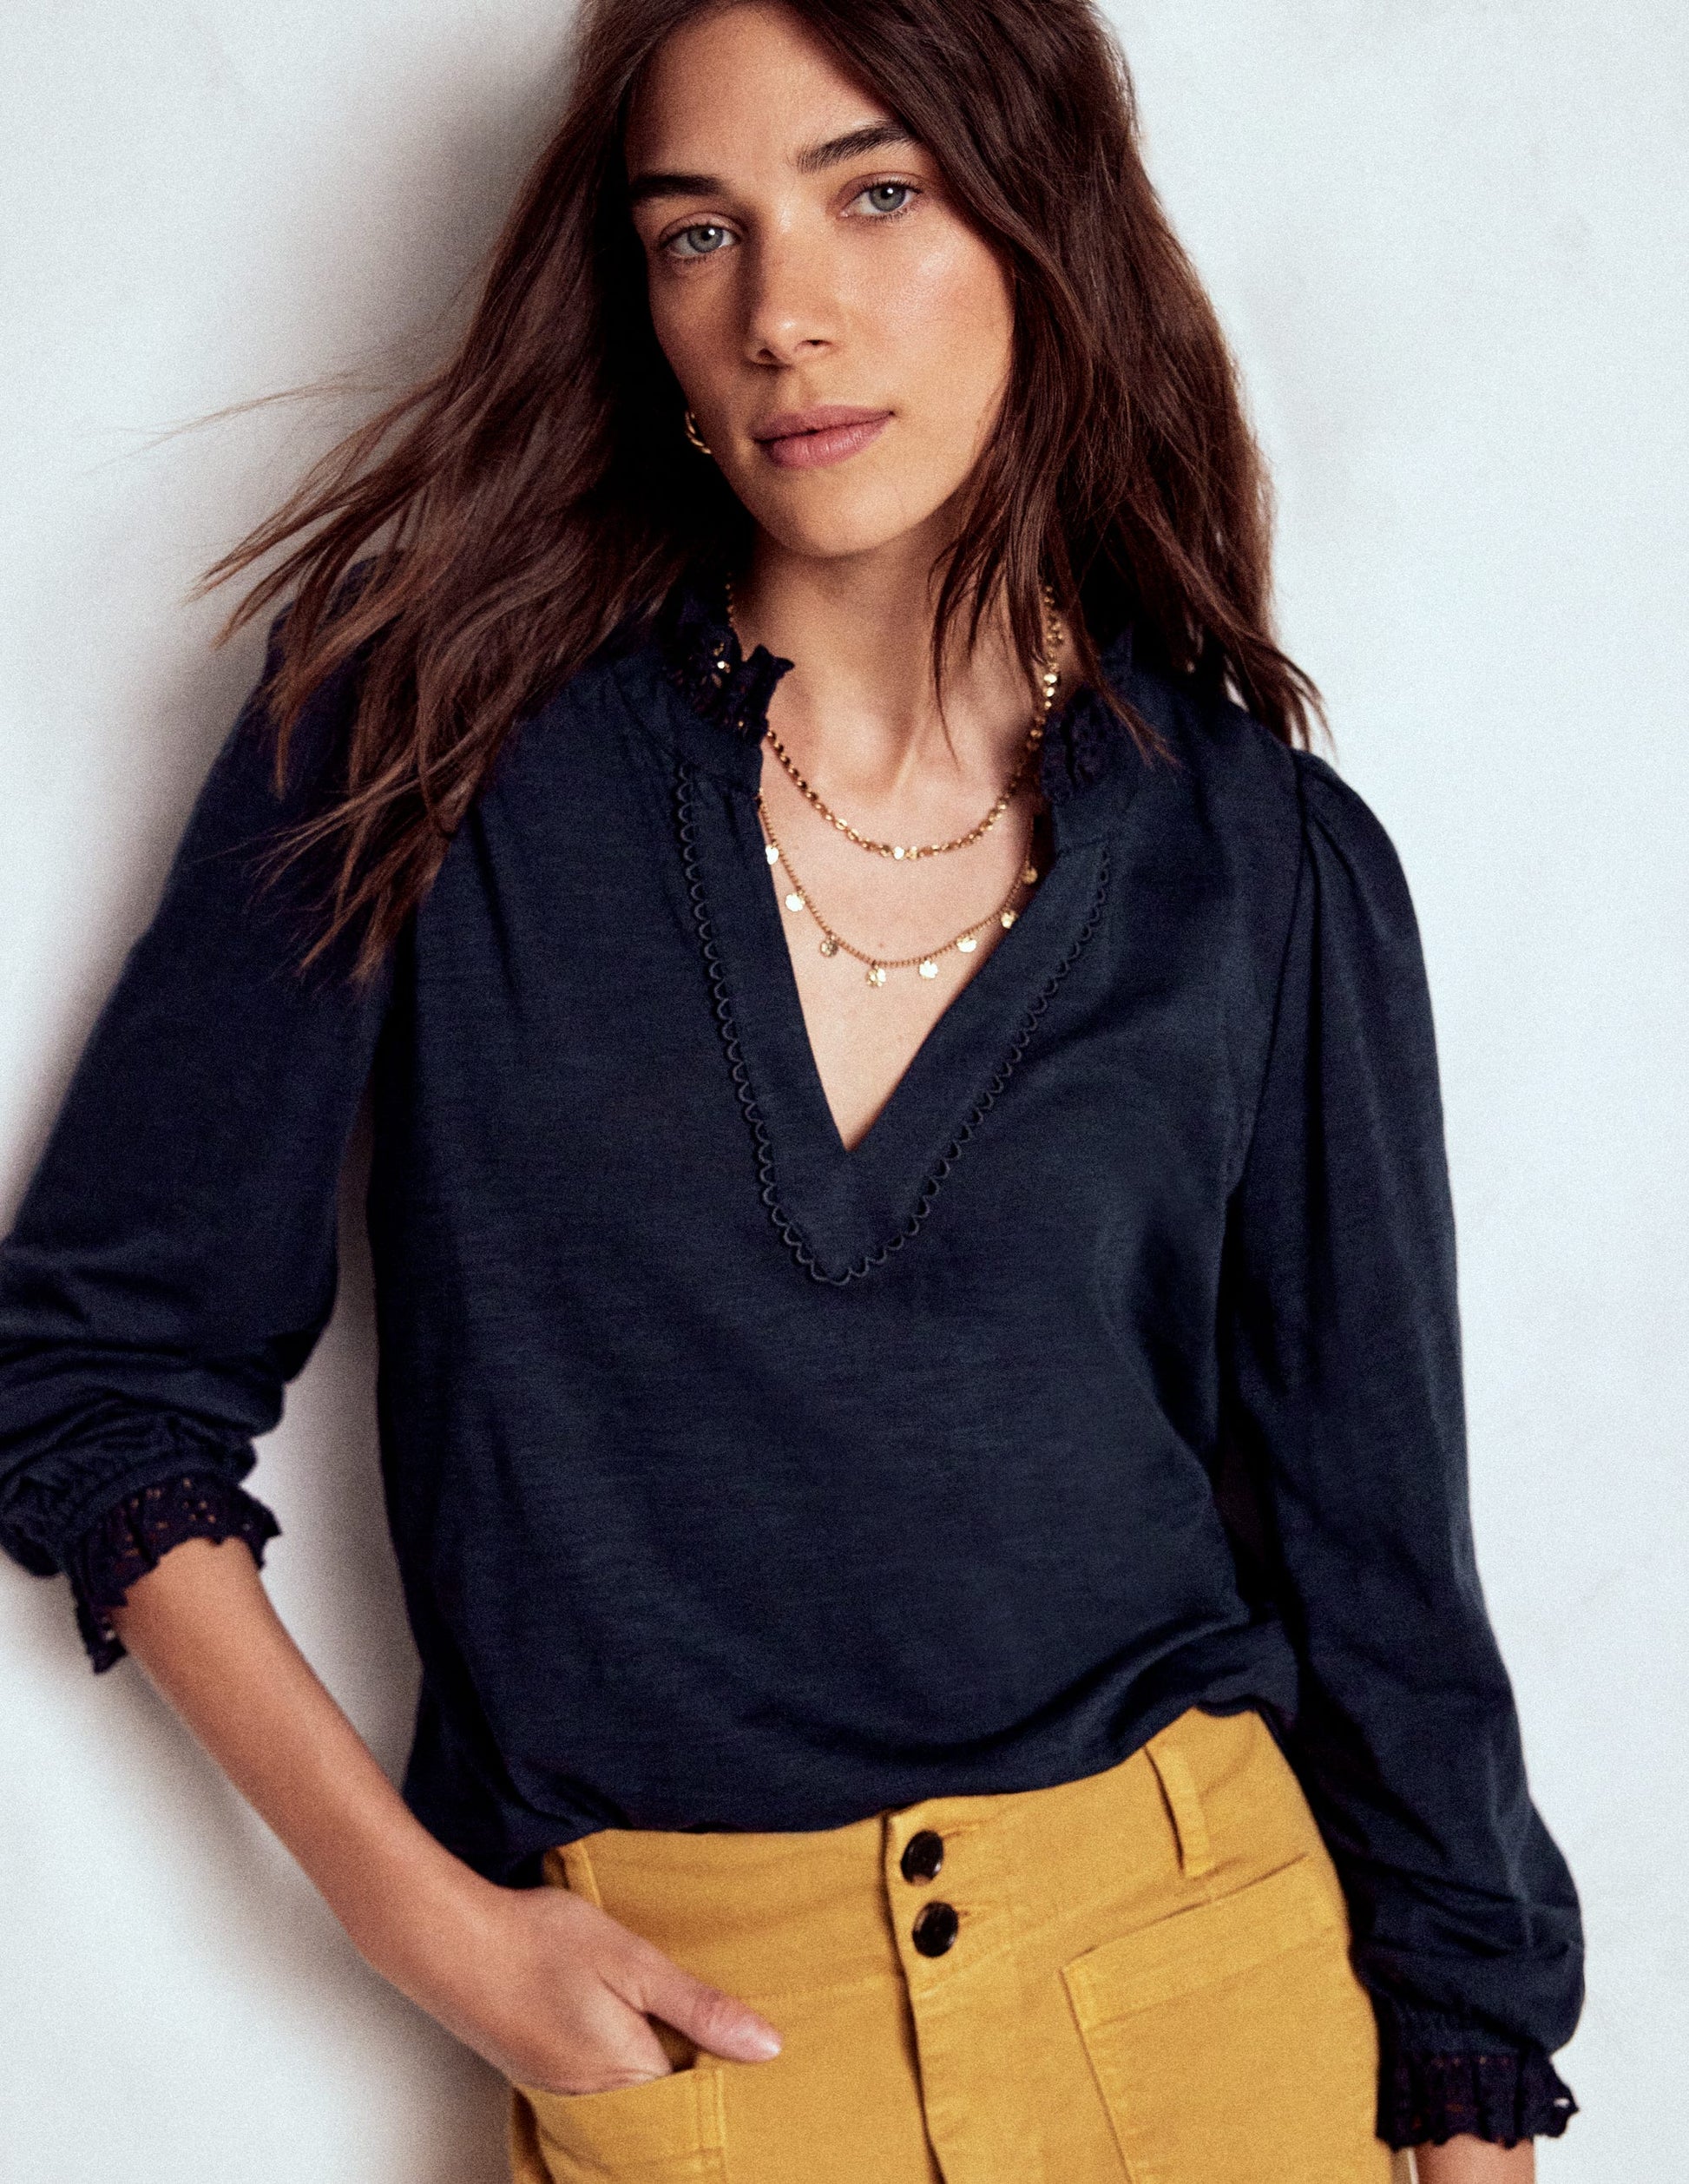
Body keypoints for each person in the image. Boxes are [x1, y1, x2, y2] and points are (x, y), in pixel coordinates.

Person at [0, 2, 1582, 2179]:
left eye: (877, 192)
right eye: (697, 233)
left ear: (1041, 230)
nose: (784, 314)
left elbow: (1379, 1552)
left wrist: (1472, 2099)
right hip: (698, 2046)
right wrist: (425, 1922)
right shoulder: (427, 738)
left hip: (1207, 1996)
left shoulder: (1260, 862)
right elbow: (94, 1371)